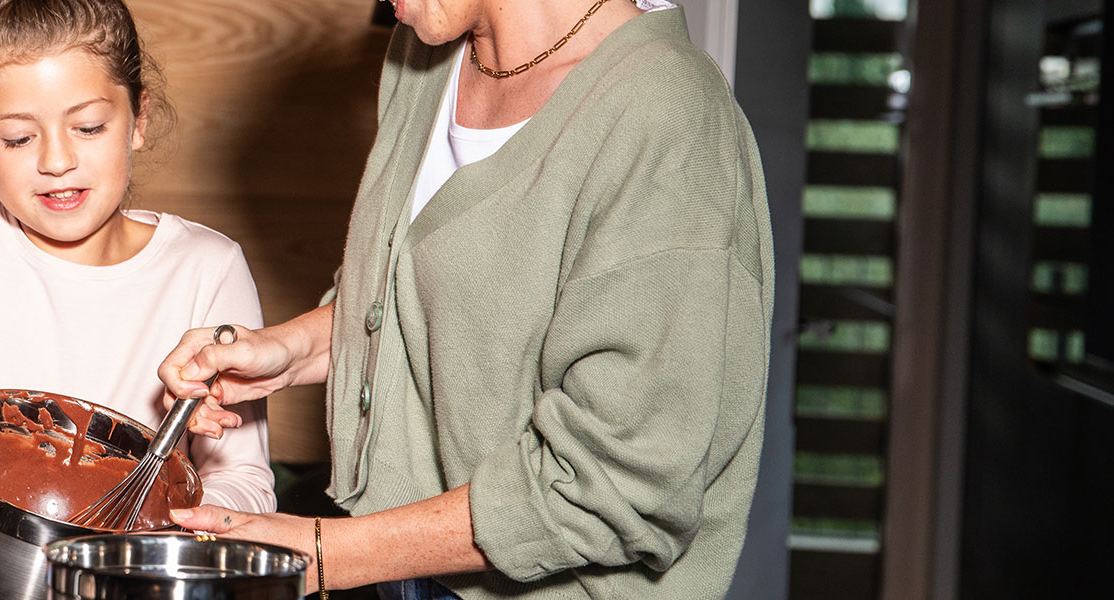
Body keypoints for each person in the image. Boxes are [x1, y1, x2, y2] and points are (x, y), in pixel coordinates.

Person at [157, 0, 773, 598]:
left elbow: (614, 481)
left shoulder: (669, 118)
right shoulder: (425, 52)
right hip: (404, 570)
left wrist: (332, 554)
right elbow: (410, 300)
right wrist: (286, 352)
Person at [0, 0, 277, 590]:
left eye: (88, 127)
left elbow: (246, 483)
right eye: (16, 138)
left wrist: (171, 535)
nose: (57, 161)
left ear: (139, 118)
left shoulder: (207, 268)